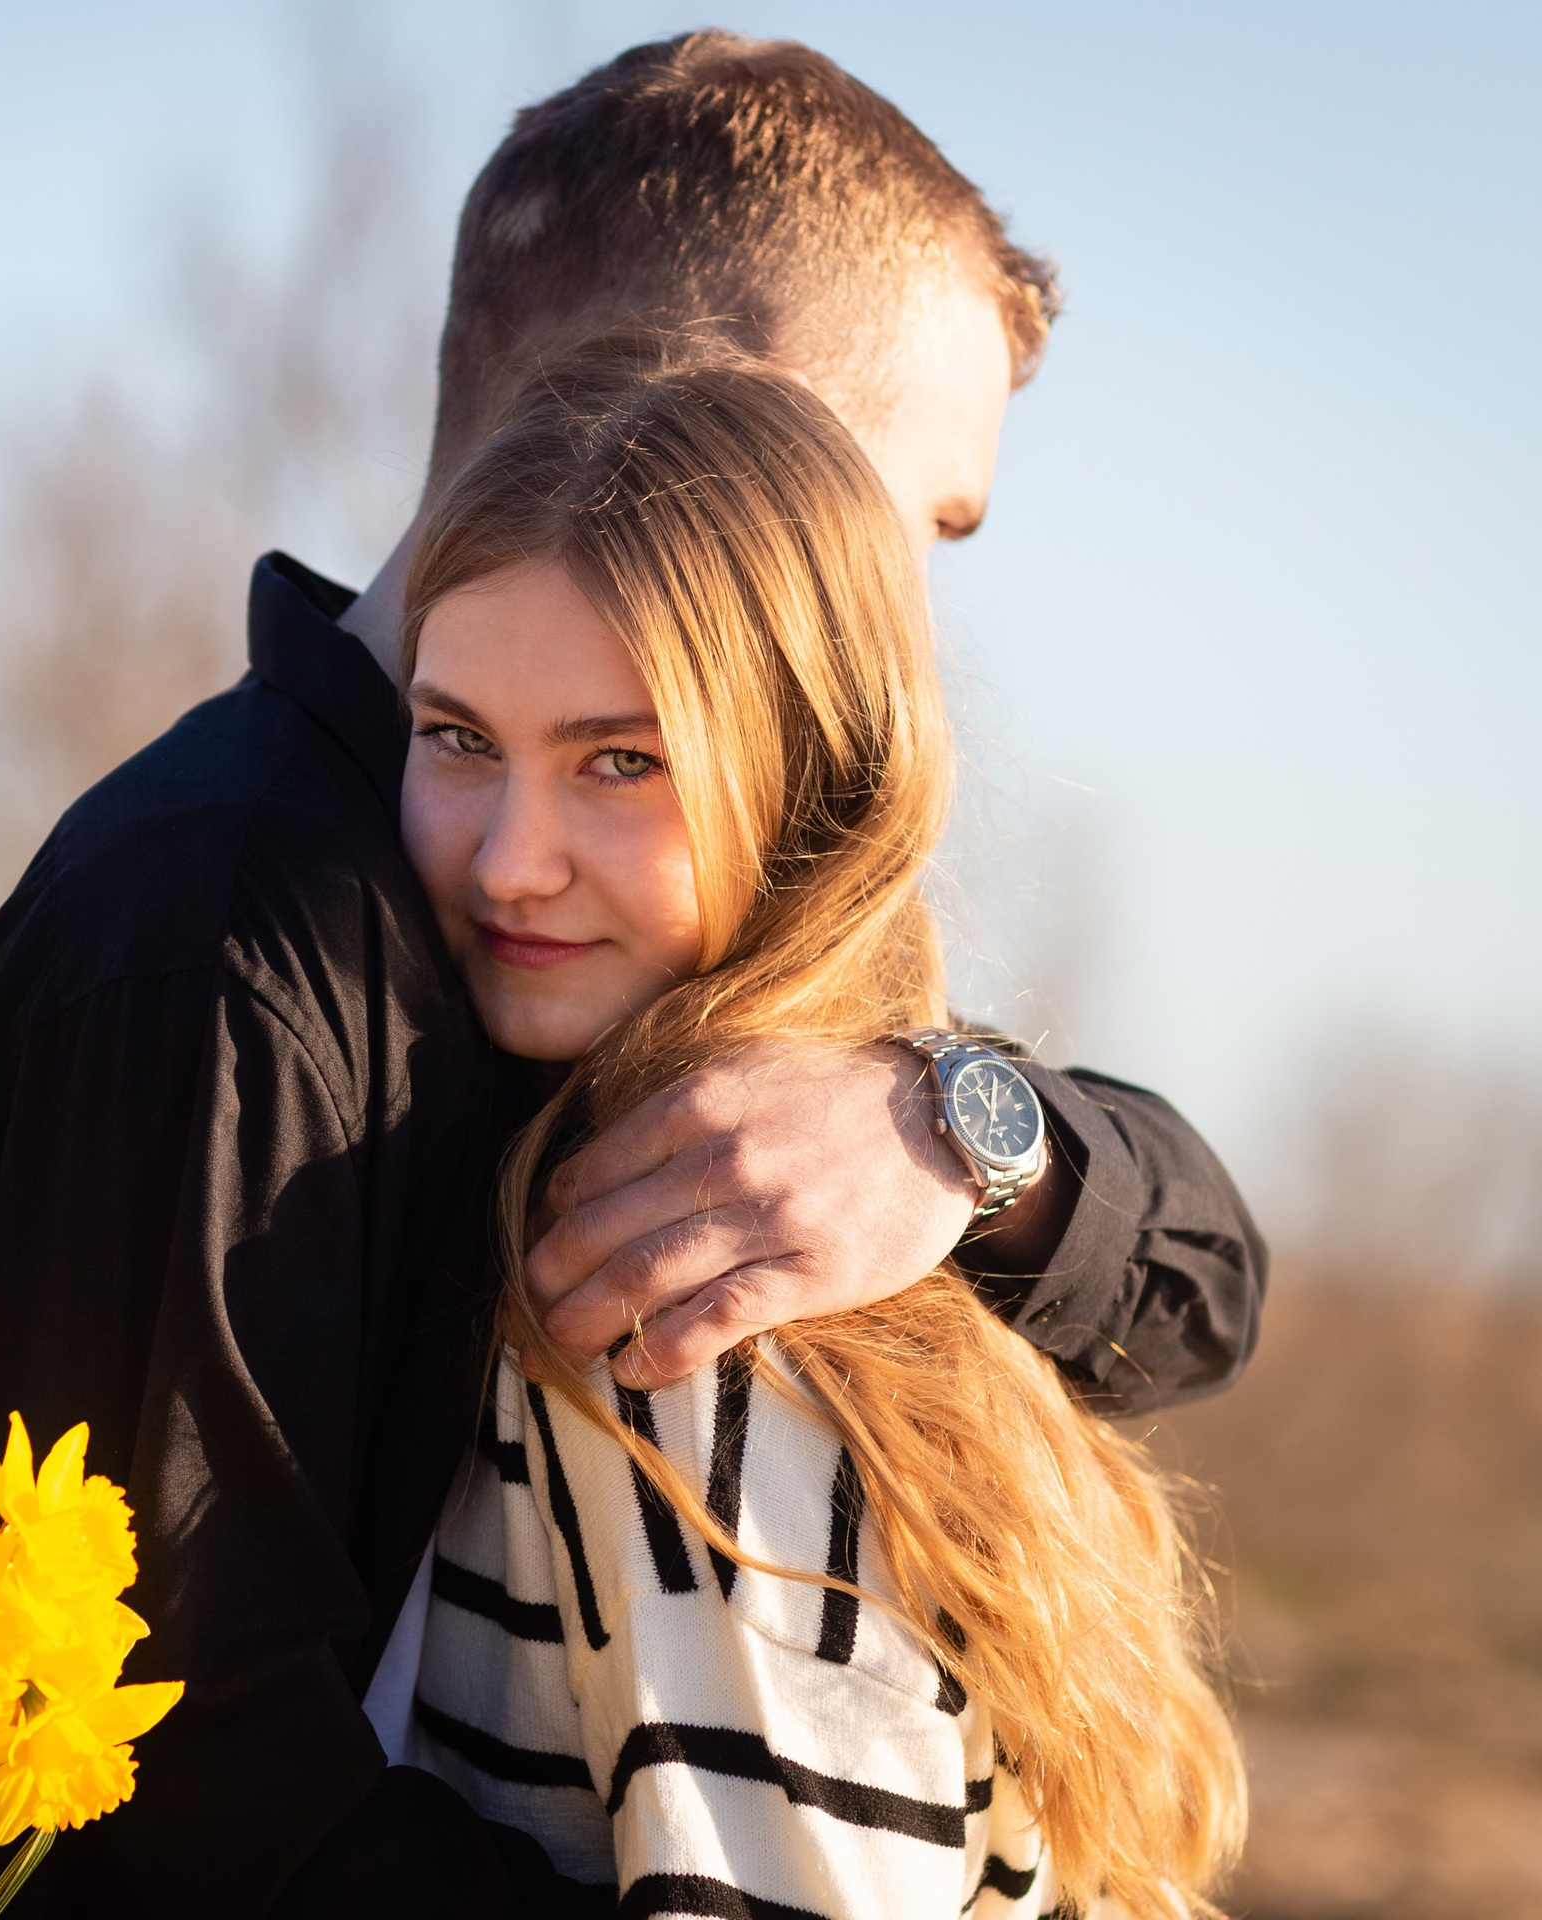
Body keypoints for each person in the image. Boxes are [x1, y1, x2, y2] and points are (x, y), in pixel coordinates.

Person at [0, 32, 1264, 1919]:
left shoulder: (642, 969)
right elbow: (173, 1788)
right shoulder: (224, 944)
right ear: (692, 445)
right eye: (894, 523)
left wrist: (955, 1131)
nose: (903, 620)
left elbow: (1201, 1290)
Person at [400, 339, 1244, 1920]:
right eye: (459, 739)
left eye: (623, 761)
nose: (512, 862)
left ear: (815, 793)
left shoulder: (687, 1316)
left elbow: (1217, 1280)